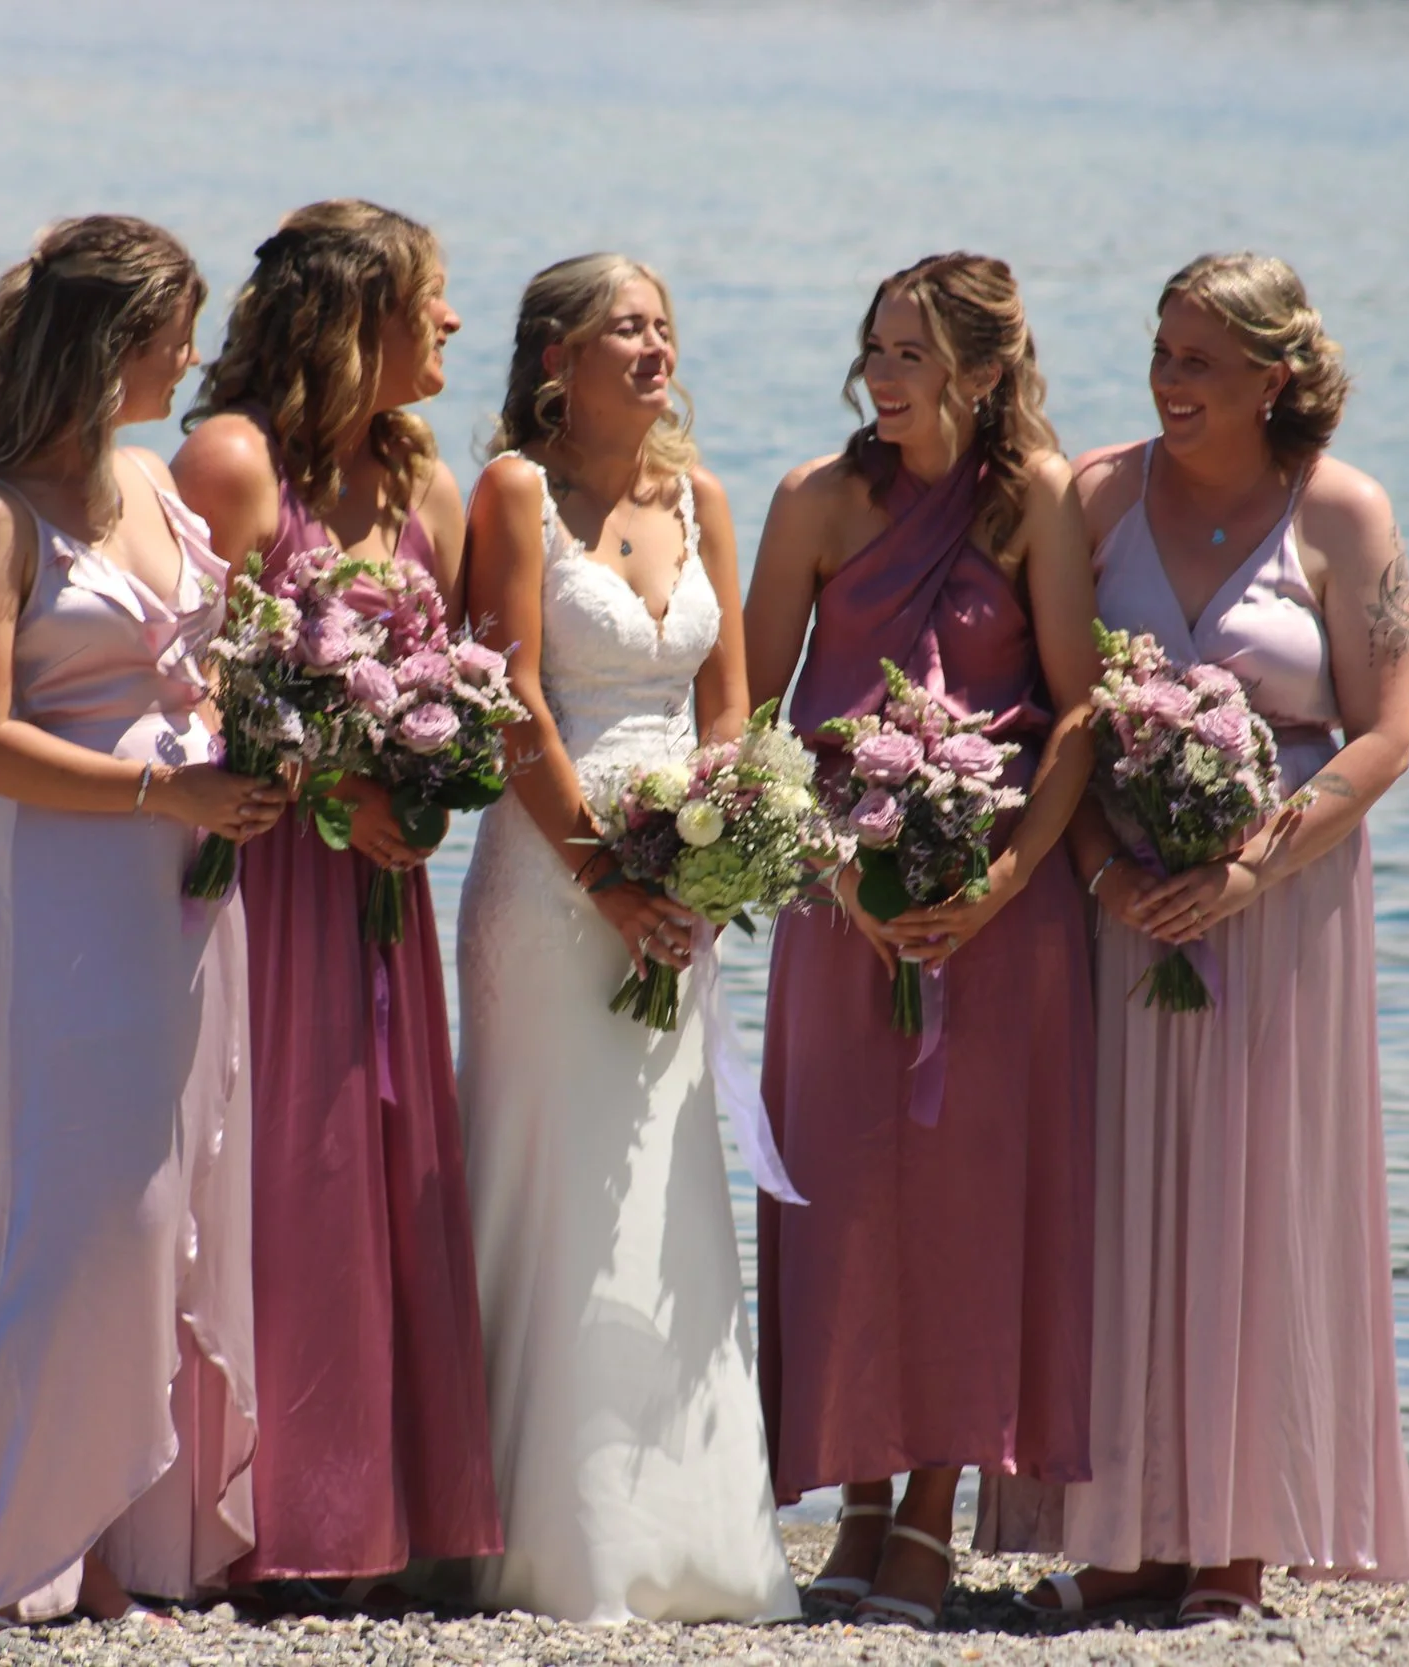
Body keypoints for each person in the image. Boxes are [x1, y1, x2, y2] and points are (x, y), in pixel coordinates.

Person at [987, 252, 1409, 1621]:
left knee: (1257, 1196)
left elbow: (1389, 731)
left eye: (1197, 362)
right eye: (1161, 353)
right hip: (1118, 895)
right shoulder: (1097, 496)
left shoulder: (1345, 514)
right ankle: (1117, 1532)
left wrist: (1251, 866)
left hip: (1280, 906)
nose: (1167, 382)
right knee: (1114, 1199)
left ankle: (1236, 1534)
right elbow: (1053, 705)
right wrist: (1101, 868)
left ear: (1272, 377)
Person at [0, 216, 291, 1634]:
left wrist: (270, 735)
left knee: (174, 1205)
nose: (194, 354)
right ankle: (37, 1545)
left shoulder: (150, 486)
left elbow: (211, 664)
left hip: (186, 889)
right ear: (111, 342)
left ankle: (122, 1534)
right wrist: (153, 784)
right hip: (73, 890)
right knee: (83, 1215)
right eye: (174, 329)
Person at [741, 253, 1098, 1628]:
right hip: (842, 914)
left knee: (964, 1208)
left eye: (911, 354)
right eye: (874, 350)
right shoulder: (814, 502)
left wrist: (1005, 878)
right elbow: (752, 716)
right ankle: (854, 1496)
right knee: (836, 1191)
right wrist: (826, 862)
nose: (882, 379)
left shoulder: (1039, 504)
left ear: (984, 372)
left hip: (1001, 924)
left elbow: (1073, 712)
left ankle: (936, 1508)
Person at [453, 252, 801, 1624]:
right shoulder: (513, 493)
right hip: (551, 890)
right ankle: (544, 1536)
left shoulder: (698, 492)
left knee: (666, 1188)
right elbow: (510, 701)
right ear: (555, 357)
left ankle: (693, 1533)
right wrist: (607, 876)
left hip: (677, 889)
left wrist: (718, 849)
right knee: (552, 1177)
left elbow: (728, 705)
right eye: (624, 329)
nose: (654, 348)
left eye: (662, 326)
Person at [171, 200, 501, 1594]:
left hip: (383, 892)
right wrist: (327, 787)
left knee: (381, 1179)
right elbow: (184, 697)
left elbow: (475, 684)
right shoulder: (230, 461)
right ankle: (258, 1525)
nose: (453, 325)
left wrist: (427, 785)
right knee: (281, 1178)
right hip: (264, 879)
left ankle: (373, 1521)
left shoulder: (432, 483)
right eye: (431, 298)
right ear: (356, 315)